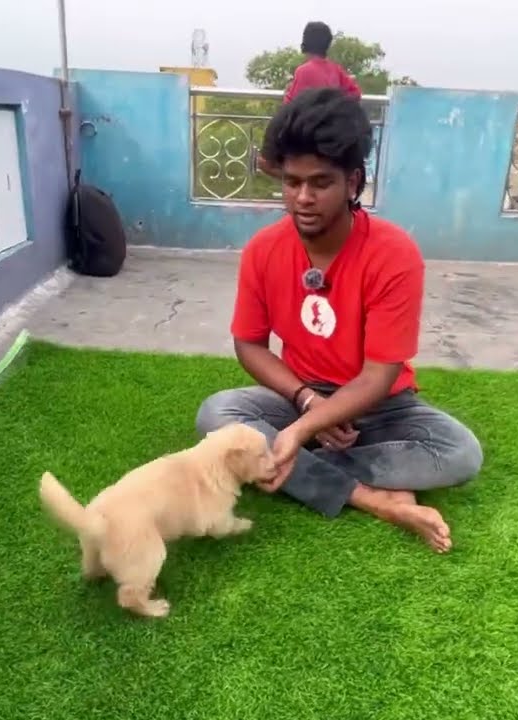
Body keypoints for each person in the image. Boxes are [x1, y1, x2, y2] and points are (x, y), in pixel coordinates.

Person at [196, 88, 483, 553]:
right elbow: (248, 343)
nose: (302, 198)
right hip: (299, 394)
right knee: (216, 413)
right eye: (291, 182)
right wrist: (307, 407)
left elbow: (380, 374)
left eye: (320, 183)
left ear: (353, 182)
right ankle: (375, 500)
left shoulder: (393, 254)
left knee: (460, 453)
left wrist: (302, 434)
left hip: (381, 406)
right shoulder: (264, 250)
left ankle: (289, 462)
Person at [257, 21, 362, 180]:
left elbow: (291, 105)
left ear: (305, 41)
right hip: (331, 130)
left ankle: (296, 180)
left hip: (306, 131)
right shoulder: (335, 69)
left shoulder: (304, 71)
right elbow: (356, 94)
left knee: (264, 162)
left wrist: (288, 91)